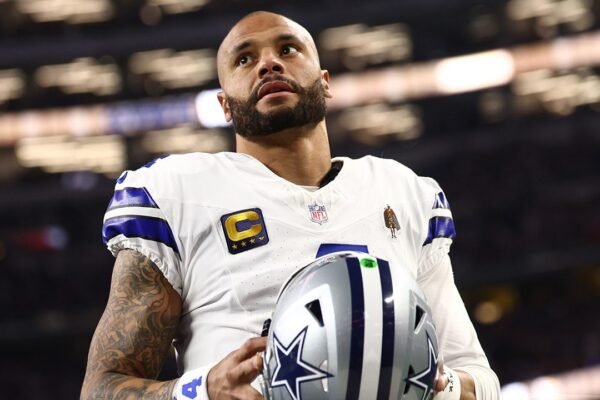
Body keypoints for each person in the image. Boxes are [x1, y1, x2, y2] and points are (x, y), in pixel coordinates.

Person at [81, 10, 500, 400]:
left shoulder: (405, 193)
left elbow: (478, 378)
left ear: (325, 81)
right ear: (225, 105)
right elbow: (102, 388)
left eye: (287, 49)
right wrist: (203, 390)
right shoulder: (176, 192)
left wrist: (441, 385)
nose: (269, 64)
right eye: (244, 59)